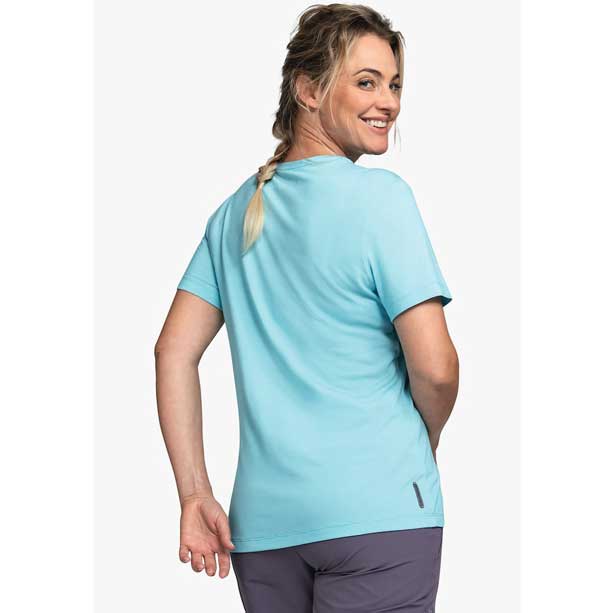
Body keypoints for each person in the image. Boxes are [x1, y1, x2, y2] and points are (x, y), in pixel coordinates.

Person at [154, 3, 459, 612]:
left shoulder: (234, 213)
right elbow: (437, 368)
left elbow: (172, 353)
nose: (388, 102)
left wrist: (194, 494)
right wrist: (417, 441)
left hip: (265, 528)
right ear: (309, 90)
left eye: (395, 84)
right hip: (378, 515)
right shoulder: (381, 199)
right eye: (366, 82)